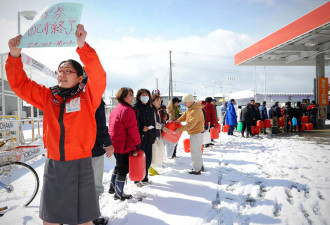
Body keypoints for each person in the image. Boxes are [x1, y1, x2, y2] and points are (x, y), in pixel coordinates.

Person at [6, 25, 104, 225]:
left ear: (79, 77)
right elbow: (21, 85)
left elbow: (98, 75)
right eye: (60, 71)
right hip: (54, 165)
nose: (62, 74)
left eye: (68, 71)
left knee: (84, 221)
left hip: (80, 164)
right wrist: (15, 56)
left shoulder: (89, 97)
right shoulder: (48, 97)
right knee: (50, 220)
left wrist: (82, 46)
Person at [108, 88, 141, 200]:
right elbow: (133, 129)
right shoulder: (127, 110)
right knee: (123, 168)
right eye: (130, 95)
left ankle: (112, 188)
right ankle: (119, 194)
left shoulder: (116, 109)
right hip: (123, 144)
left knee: (118, 166)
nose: (132, 97)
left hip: (115, 143)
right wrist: (138, 144)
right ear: (123, 96)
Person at [174, 93, 205, 175]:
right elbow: (185, 116)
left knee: (195, 152)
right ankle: (199, 166)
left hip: (196, 133)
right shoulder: (191, 108)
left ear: (191, 101)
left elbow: (190, 125)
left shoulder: (195, 110)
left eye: (185, 102)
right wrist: (178, 120)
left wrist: (180, 129)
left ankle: (196, 169)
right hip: (196, 132)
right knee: (197, 151)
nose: (184, 104)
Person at [92, 99, 114, 199]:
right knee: (95, 186)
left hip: (74, 149)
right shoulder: (94, 97)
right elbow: (99, 125)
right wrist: (107, 143)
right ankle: (92, 213)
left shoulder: (73, 92)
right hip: (94, 148)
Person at [134, 89, 156, 186]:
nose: (145, 96)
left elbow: (153, 122)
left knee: (148, 159)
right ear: (138, 96)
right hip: (140, 138)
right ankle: (137, 179)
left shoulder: (150, 108)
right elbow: (134, 123)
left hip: (149, 138)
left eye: (147, 95)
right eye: (142, 95)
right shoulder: (135, 108)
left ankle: (144, 177)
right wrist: (141, 128)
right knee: (139, 160)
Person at [149, 92, 166, 176]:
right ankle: (150, 169)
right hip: (152, 136)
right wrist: (162, 126)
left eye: (160, 100)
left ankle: (151, 168)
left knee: (156, 153)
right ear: (152, 101)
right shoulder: (152, 111)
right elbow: (153, 124)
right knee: (153, 154)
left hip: (156, 135)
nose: (160, 102)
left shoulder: (157, 111)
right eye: (157, 100)